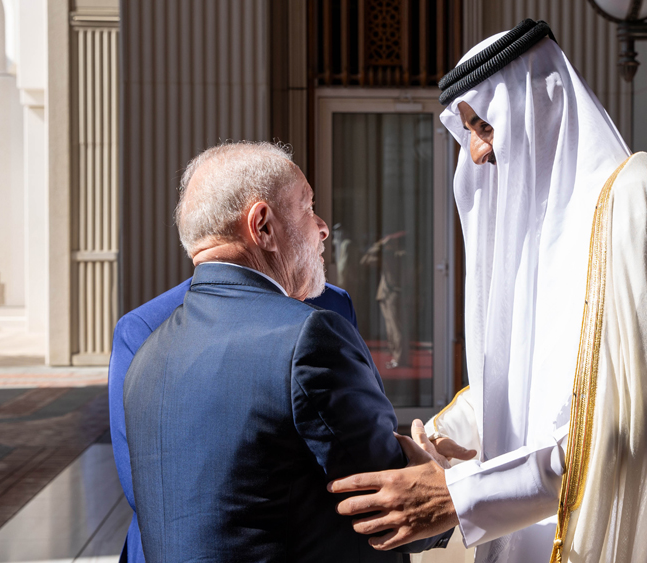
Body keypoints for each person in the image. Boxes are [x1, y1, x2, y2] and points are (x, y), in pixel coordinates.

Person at [330, 19, 647, 563]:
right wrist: (437, 441)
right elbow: (524, 389)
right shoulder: (540, 234)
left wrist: (462, 496)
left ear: (544, 103)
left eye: (484, 126)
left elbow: (641, 420)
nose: (475, 154)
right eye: (465, 131)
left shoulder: (634, 202)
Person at [123, 141, 451, 562]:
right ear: (262, 225)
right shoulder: (308, 336)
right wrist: (437, 472)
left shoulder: (150, 352)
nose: (323, 227)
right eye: (307, 206)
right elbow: (395, 513)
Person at [108, 279, 357, 563]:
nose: (324, 232)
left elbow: (355, 423)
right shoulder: (145, 324)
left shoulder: (333, 303)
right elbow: (143, 481)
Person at [361, 231, 410, 369]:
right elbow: (365, 260)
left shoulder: (399, 255)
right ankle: (395, 355)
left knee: (397, 327)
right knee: (390, 327)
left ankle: (400, 359)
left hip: (396, 294)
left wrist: (382, 244)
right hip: (385, 294)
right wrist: (380, 244)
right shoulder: (387, 255)